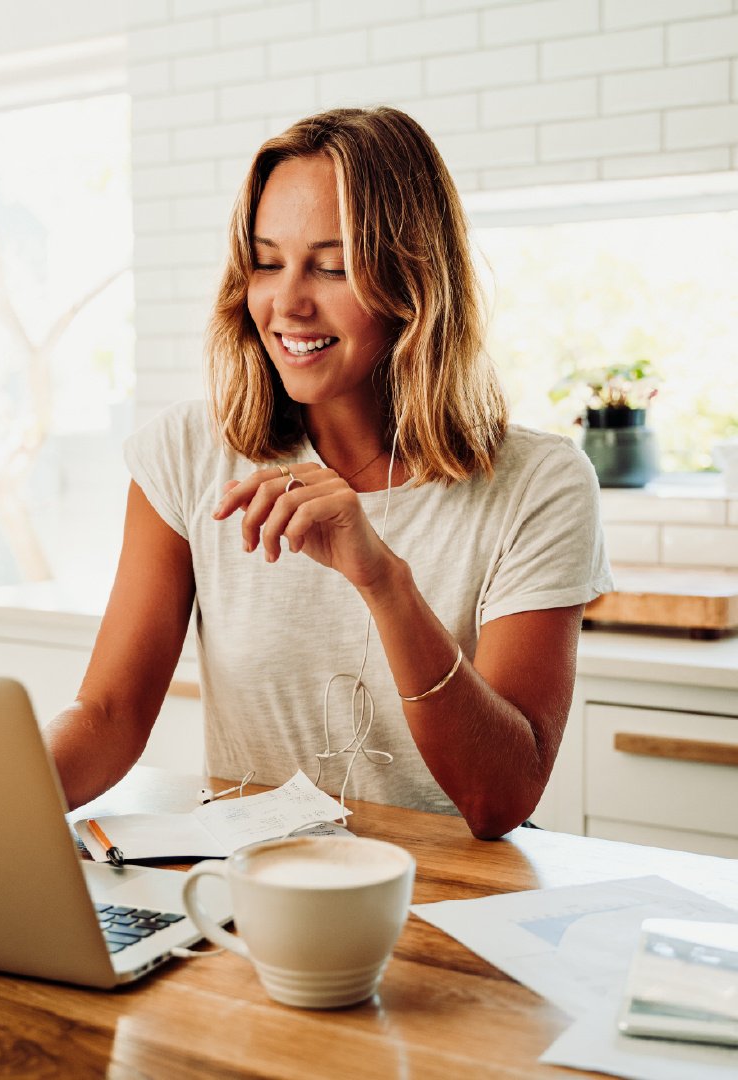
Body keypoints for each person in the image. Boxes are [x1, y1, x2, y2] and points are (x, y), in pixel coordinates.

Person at [44, 106, 612, 839]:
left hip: (458, 897)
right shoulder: (187, 453)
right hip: (257, 891)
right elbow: (109, 717)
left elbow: (500, 798)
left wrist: (382, 578)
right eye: (267, 261)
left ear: (415, 280)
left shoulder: (540, 484)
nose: (287, 303)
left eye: (333, 265)